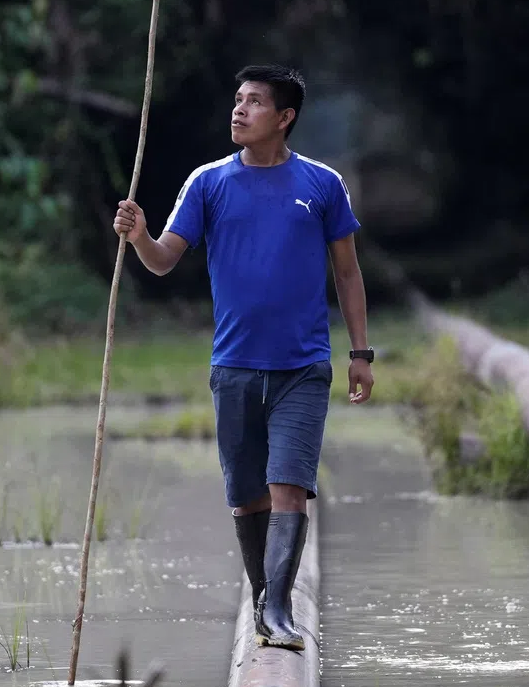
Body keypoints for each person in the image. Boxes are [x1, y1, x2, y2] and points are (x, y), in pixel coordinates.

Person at [113, 64, 374, 651]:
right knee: (247, 496)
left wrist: (361, 352)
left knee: (288, 484)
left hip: (303, 367)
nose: (239, 110)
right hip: (233, 368)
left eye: (254, 102)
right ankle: (264, 598)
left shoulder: (323, 185)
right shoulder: (207, 183)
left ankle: (278, 608)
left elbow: (348, 272)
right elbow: (161, 261)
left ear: (284, 118)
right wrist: (138, 236)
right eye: (237, 100)